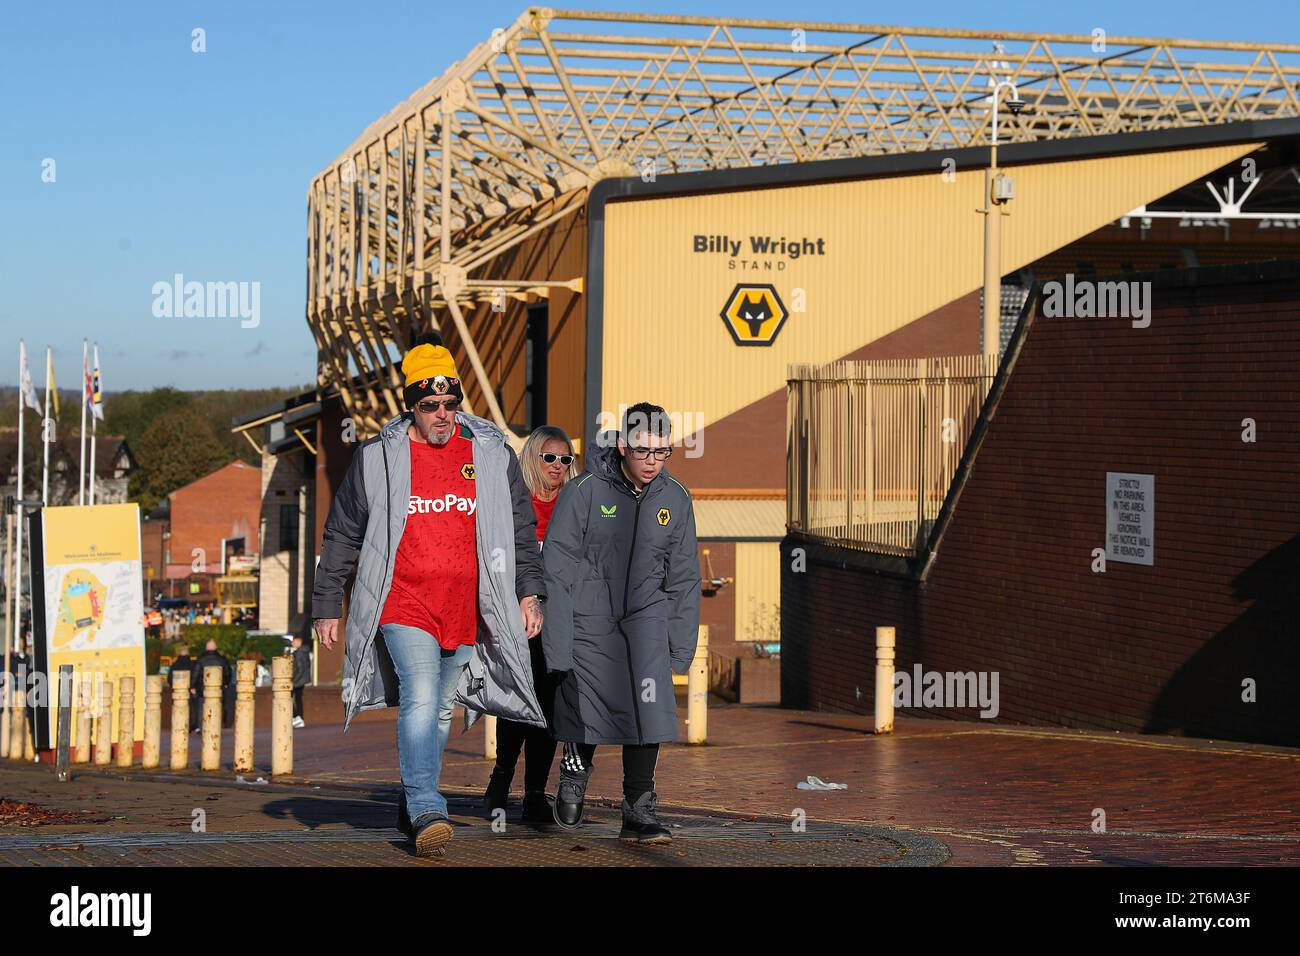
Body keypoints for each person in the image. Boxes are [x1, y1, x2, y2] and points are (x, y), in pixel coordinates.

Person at [311, 330, 547, 859]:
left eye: (450, 403)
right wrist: (328, 604)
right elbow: (342, 533)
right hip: (404, 601)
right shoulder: (380, 458)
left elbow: (518, 527)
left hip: (466, 604)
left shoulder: (490, 455)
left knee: (441, 708)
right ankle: (424, 803)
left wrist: (529, 593)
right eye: (429, 405)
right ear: (410, 407)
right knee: (419, 695)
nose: (442, 415)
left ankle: (414, 798)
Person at [541, 402, 701, 844]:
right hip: (589, 622)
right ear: (622, 445)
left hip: (646, 623)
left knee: (647, 714)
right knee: (587, 709)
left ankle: (639, 808)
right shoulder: (586, 491)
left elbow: (685, 575)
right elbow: (556, 566)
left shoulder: (676, 499)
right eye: (644, 451)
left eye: (662, 452)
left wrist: (680, 644)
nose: (652, 461)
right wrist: (558, 641)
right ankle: (574, 774)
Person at [483, 425, 578, 824]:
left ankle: (536, 792)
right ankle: (502, 777)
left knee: (549, 706)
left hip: (561, 618)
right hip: (517, 615)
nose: (557, 466)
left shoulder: (575, 504)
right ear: (533, 458)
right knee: (518, 700)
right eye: (549, 457)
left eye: (565, 459)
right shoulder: (513, 501)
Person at [191, 639, 233, 732]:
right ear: (216, 648)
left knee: (202, 708)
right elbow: (227, 673)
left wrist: (193, 685)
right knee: (217, 707)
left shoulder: (201, 659)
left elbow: (195, 673)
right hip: (218, 688)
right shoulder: (222, 659)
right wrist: (225, 683)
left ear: (206, 648)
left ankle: (202, 728)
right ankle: (215, 727)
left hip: (203, 689)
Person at [290, 635, 312, 728]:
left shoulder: (299, 653)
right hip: (303, 679)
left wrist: (293, 680)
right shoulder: (304, 651)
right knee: (298, 700)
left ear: (299, 641)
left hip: (298, 680)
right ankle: (300, 719)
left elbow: (299, 668)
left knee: (287, 697)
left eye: (294, 641)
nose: (292, 643)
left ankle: (296, 717)